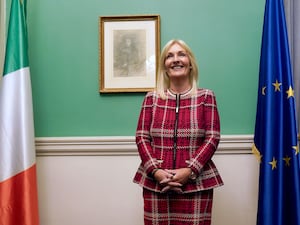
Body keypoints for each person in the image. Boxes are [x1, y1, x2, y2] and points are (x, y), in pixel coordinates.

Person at [133, 39, 224, 225]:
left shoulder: (206, 96)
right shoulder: (151, 99)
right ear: (164, 67)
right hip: (157, 184)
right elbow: (142, 137)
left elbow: (212, 137)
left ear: (190, 64)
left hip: (196, 185)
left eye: (181, 54)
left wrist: (190, 170)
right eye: (169, 56)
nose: (176, 59)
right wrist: (156, 171)